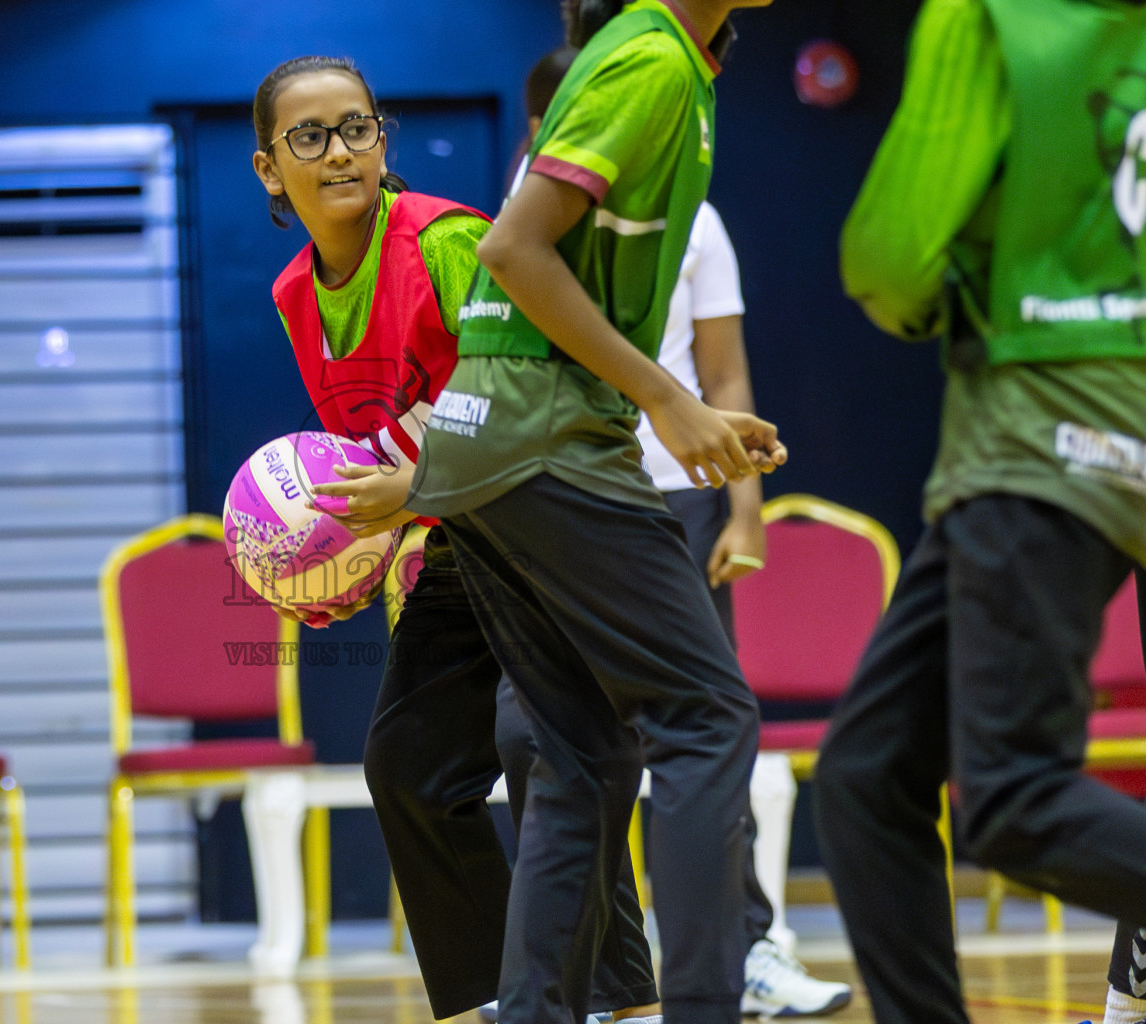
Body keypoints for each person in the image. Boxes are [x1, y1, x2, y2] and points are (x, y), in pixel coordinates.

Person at [249, 55, 659, 1024]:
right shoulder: (295, 295)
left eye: (357, 127)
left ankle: (615, 998)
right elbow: (377, 448)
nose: (340, 151)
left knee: (544, 743)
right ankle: (496, 998)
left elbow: (528, 395)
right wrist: (346, 553)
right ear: (270, 167)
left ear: (381, 137)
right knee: (409, 767)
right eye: (310, 136)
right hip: (463, 536)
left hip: (553, 518)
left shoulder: (447, 241)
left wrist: (411, 490)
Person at [405, 0, 785, 1021]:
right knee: (709, 719)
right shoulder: (649, 56)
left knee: (580, 753)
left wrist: (684, 406)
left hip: (487, 442)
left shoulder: (667, 60)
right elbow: (512, 249)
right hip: (548, 438)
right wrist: (666, 398)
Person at [812, 1, 1146, 1023]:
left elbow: (890, 260)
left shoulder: (987, 15)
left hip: (1041, 433)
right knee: (867, 775)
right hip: (1111, 431)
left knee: (1012, 797)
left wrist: (943, 297)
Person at [504, 45, 852, 1019]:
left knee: (702, 733)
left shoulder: (694, 217)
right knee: (544, 736)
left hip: (680, 492)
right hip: (563, 497)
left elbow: (723, 372)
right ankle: (583, 975)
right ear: (544, 128)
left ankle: (746, 949)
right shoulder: (516, 229)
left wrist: (744, 507)